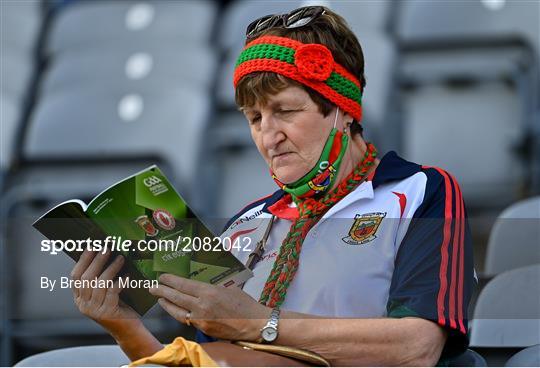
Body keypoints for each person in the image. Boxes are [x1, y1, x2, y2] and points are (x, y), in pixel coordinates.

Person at [70, 6, 475, 366]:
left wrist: (257, 323)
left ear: (342, 109)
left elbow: (417, 348)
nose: (269, 136)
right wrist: (124, 327)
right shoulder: (246, 222)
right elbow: (205, 362)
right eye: (254, 118)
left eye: (285, 111)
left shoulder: (422, 190)